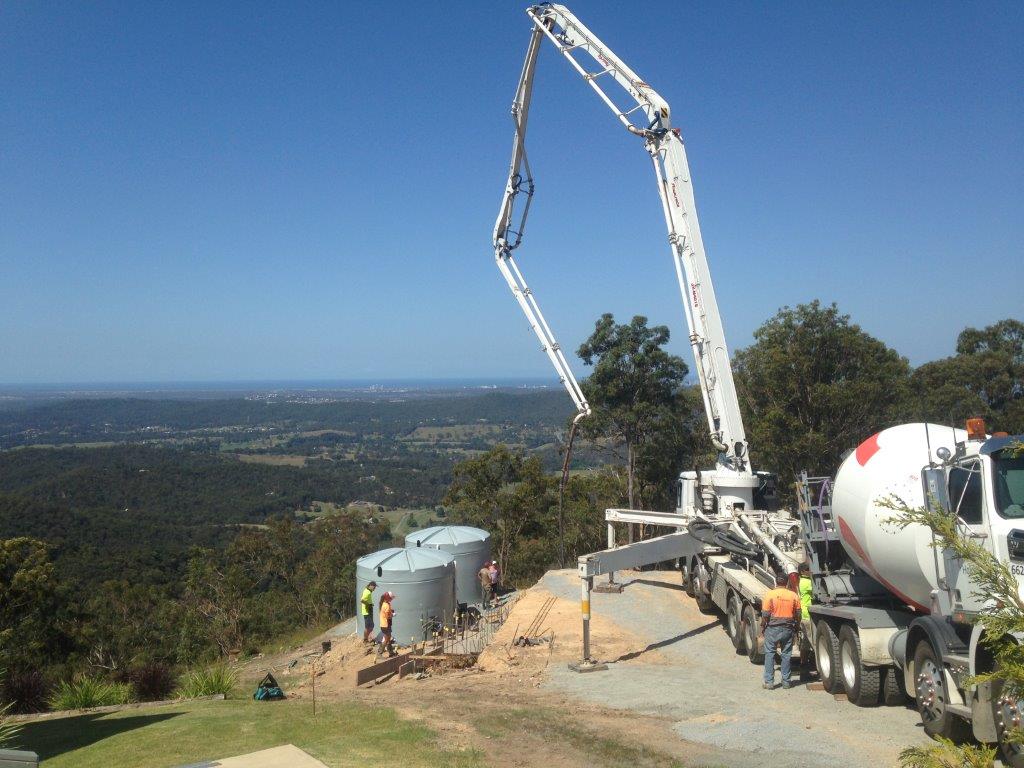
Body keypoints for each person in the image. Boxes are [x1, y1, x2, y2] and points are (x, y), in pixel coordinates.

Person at [760, 573, 802, 690]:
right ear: (787, 582)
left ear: (776, 582)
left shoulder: (770, 595)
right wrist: (796, 627)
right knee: (786, 655)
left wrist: (763, 626)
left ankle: (769, 682)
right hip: (788, 629)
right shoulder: (793, 595)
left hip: (772, 629)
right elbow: (798, 614)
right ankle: (786, 682)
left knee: (770, 654)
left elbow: (765, 615)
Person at [377, 591, 397, 657]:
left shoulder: (384, 603)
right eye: (391, 598)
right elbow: (388, 616)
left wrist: (391, 612)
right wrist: (393, 614)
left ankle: (391, 652)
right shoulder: (386, 605)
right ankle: (379, 654)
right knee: (386, 639)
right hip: (386, 624)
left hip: (384, 624)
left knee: (388, 638)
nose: (391, 599)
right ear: (388, 598)